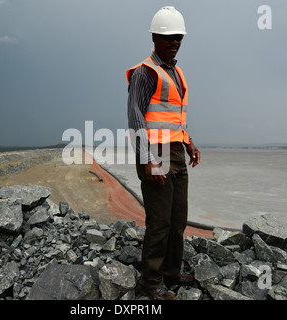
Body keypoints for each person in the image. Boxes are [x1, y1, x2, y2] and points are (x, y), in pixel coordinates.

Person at [126, 6, 201, 300]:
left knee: (178, 219)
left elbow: (173, 117)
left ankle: (170, 273)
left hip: (176, 152)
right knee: (159, 221)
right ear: (155, 38)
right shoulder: (146, 72)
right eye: (169, 37)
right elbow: (136, 117)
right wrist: (148, 160)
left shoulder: (175, 72)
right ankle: (151, 282)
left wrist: (189, 142)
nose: (174, 42)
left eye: (178, 38)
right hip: (155, 153)